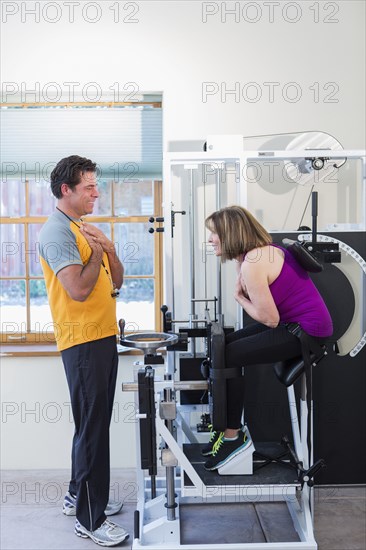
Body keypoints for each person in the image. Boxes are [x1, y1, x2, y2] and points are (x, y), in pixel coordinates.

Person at [39, 155, 129, 546]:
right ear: (66, 190)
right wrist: (97, 253)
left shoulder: (83, 228)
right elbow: (77, 290)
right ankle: (89, 519)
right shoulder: (57, 233)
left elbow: (116, 283)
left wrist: (109, 248)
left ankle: (80, 494)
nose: (97, 192)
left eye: (96, 185)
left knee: (90, 425)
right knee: (93, 429)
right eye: (89, 186)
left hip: (101, 337)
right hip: (83, 340)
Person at [203, 205, 333, 471]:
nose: (210, 240)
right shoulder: (257, 254)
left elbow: (270, 319)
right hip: (293, 324)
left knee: (229, 354)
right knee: (223, 348)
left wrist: (238, 297)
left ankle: (232, 437)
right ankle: (225, 429)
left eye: (214, 233)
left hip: (307, 332)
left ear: (231, 233)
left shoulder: (253, 262)